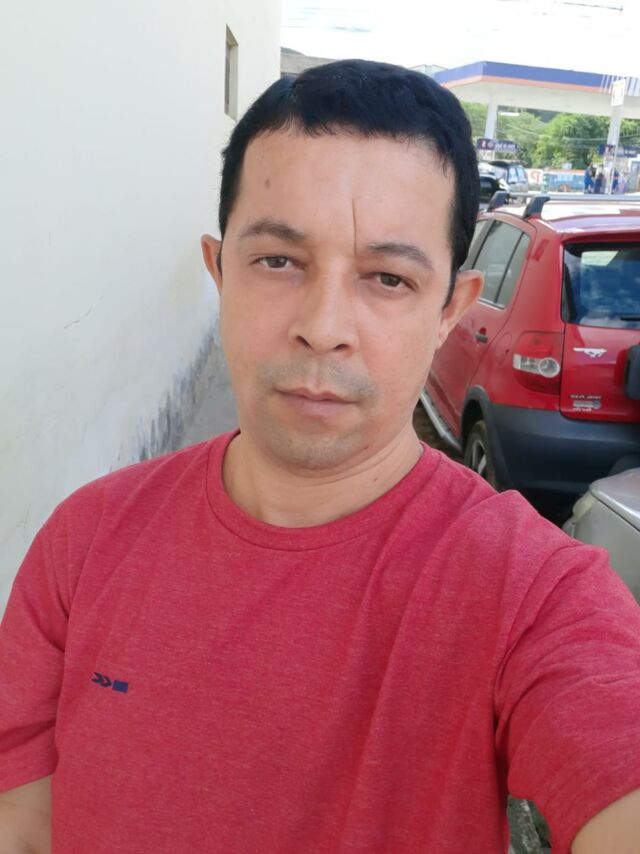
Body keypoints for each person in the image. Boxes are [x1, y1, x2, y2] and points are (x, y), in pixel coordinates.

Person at [1, 60, 640, 854]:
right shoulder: (86, 541)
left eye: (388, 278)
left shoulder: (533, 594)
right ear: (219, 271)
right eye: (278, 261)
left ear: (450, 310)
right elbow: (22, 824)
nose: (324, 326)